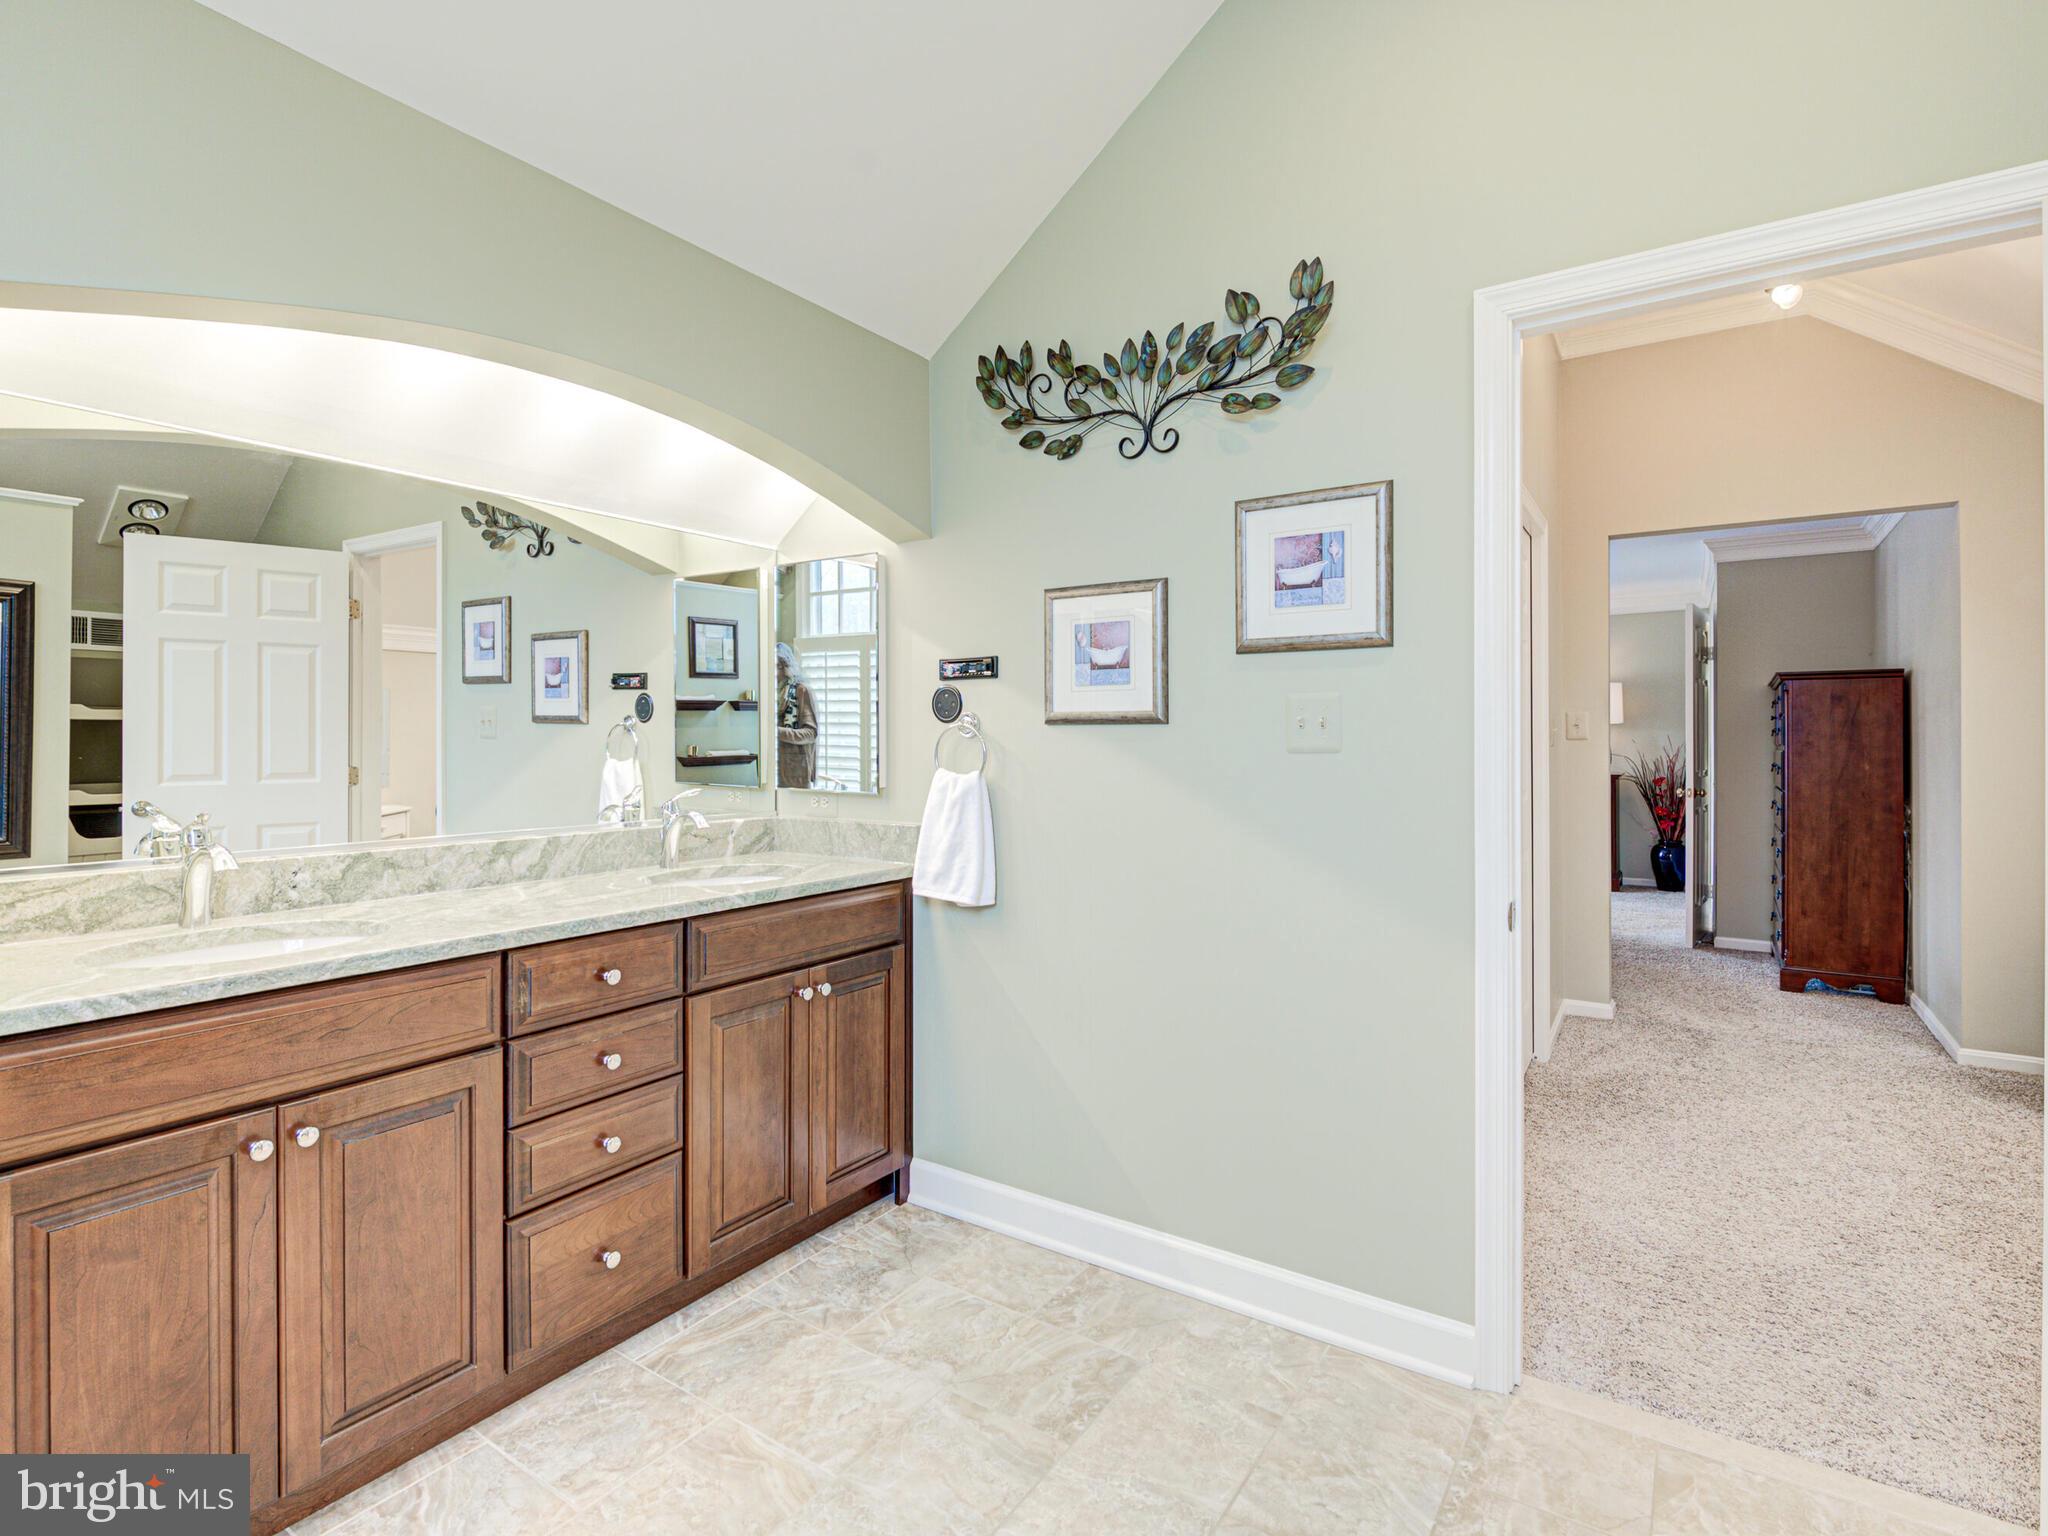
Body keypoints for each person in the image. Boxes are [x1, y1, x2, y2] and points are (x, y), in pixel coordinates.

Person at [775, 642, 817, 788]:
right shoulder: (773, 693)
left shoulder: (802, 691)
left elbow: (810, 733)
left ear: (785, 666)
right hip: (775, 771)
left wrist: (775, 732)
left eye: (777, 667)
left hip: (797, 772)